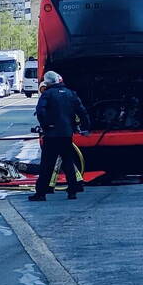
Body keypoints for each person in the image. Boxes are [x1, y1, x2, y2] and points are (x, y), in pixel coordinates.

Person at [30, 71, 90, 202]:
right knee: (68, 162)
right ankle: (73, 191)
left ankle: (41, 193)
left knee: (47, 165)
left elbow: (40, 111)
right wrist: (85, 127)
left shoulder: (47, 94)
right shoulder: (70, 94)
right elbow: (82, 111)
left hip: (51, 135)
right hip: (67, 134)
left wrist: (46, 125)